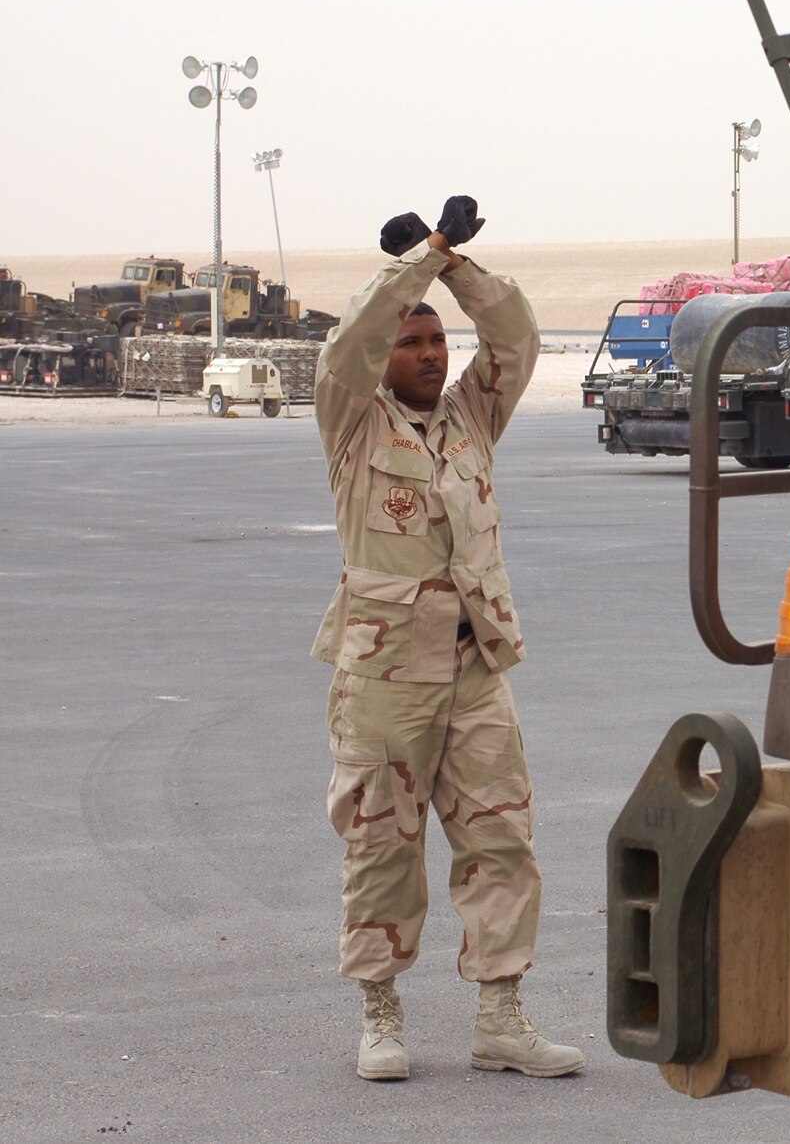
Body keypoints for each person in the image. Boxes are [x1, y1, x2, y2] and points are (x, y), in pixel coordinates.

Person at [311, 198, 582, 1082]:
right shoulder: (352, 422)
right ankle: (381, 1016)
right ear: (385, 358)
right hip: (387, 672)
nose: (431, 354)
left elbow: (516, 337)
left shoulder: (471, 419)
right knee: (384, 844)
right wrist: (415, 263)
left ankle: (500, 1017)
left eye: (438, 343)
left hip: (475, 665)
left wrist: (454, 265)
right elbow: (350, 337)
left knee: (502, 839)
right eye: (413, 342)